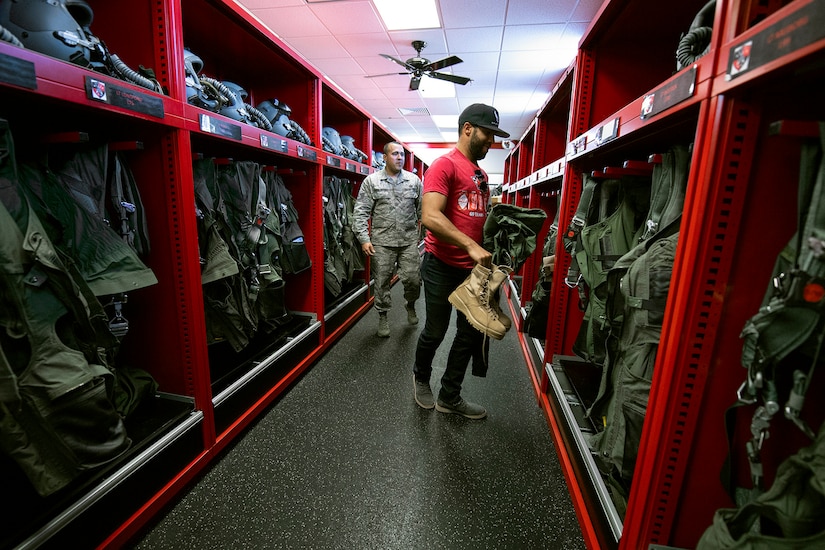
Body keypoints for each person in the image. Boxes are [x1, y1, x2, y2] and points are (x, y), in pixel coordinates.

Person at [412, 103, 510, 419]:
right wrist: (469, 244)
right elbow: (429, 216)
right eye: (487, 134)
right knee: (436, 331)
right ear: (468, 128)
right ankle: (421, 375)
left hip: (472, 272)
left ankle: (449, 396)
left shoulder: (480, 173)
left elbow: (478, 218)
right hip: (441, 264)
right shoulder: (444, 166)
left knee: (469, 334)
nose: (490, 142)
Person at [353, 141, 423, 337]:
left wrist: (422, 236)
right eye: (395, 154)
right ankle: (383, 316)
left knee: (413, 279)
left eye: (402, 154)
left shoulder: (414, 181)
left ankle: (410, 304)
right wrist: (364, 239)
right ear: (384, 157)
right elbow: (360, 212)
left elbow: (422, 212)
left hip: (408, 241)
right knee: (382, 281)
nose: (400, 157)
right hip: (382, 242)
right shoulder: (372, 181)